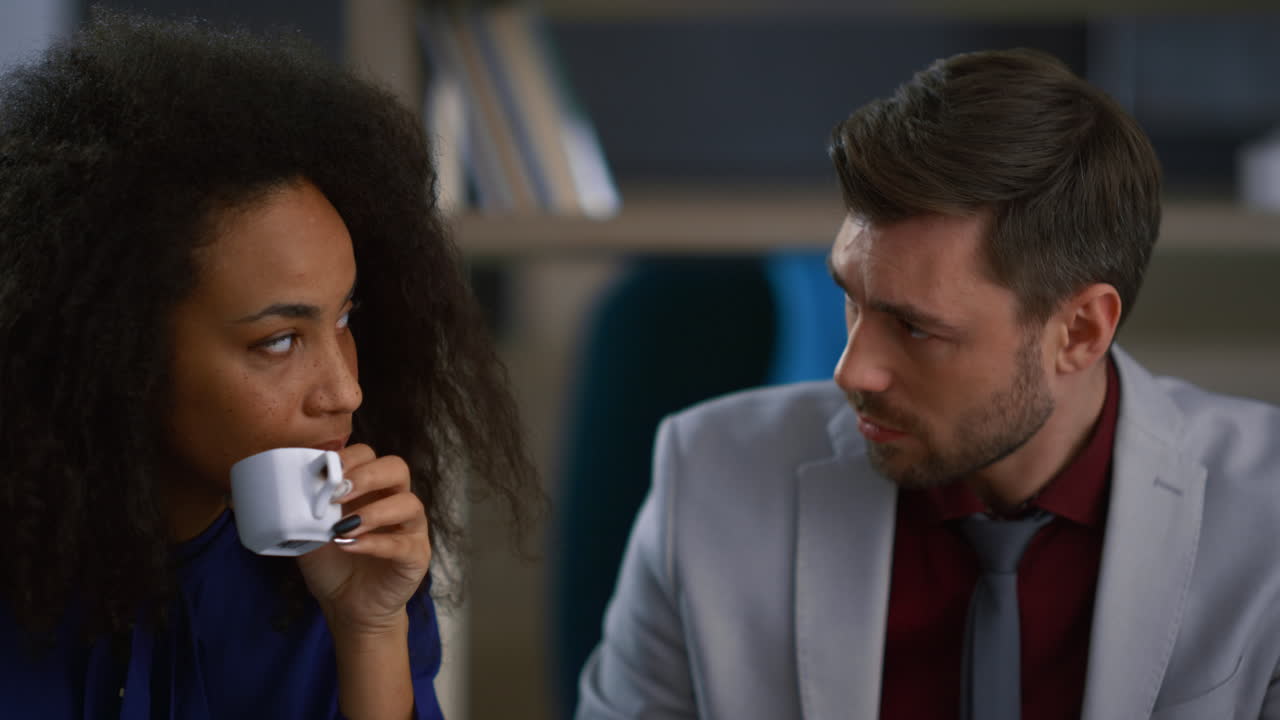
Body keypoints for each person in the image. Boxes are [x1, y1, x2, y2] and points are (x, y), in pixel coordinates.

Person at [576, 48, 1280, 720]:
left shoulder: (1265, 518)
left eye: (916, 329)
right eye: (852, 299)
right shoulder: (708, 479)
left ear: (1081, 332)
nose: (851, 371)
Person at [0, 11, 540, 720]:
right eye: (279, 341)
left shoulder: (347, 569)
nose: (345, 389)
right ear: (119, 352)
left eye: (344, 319)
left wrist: (370, 631)